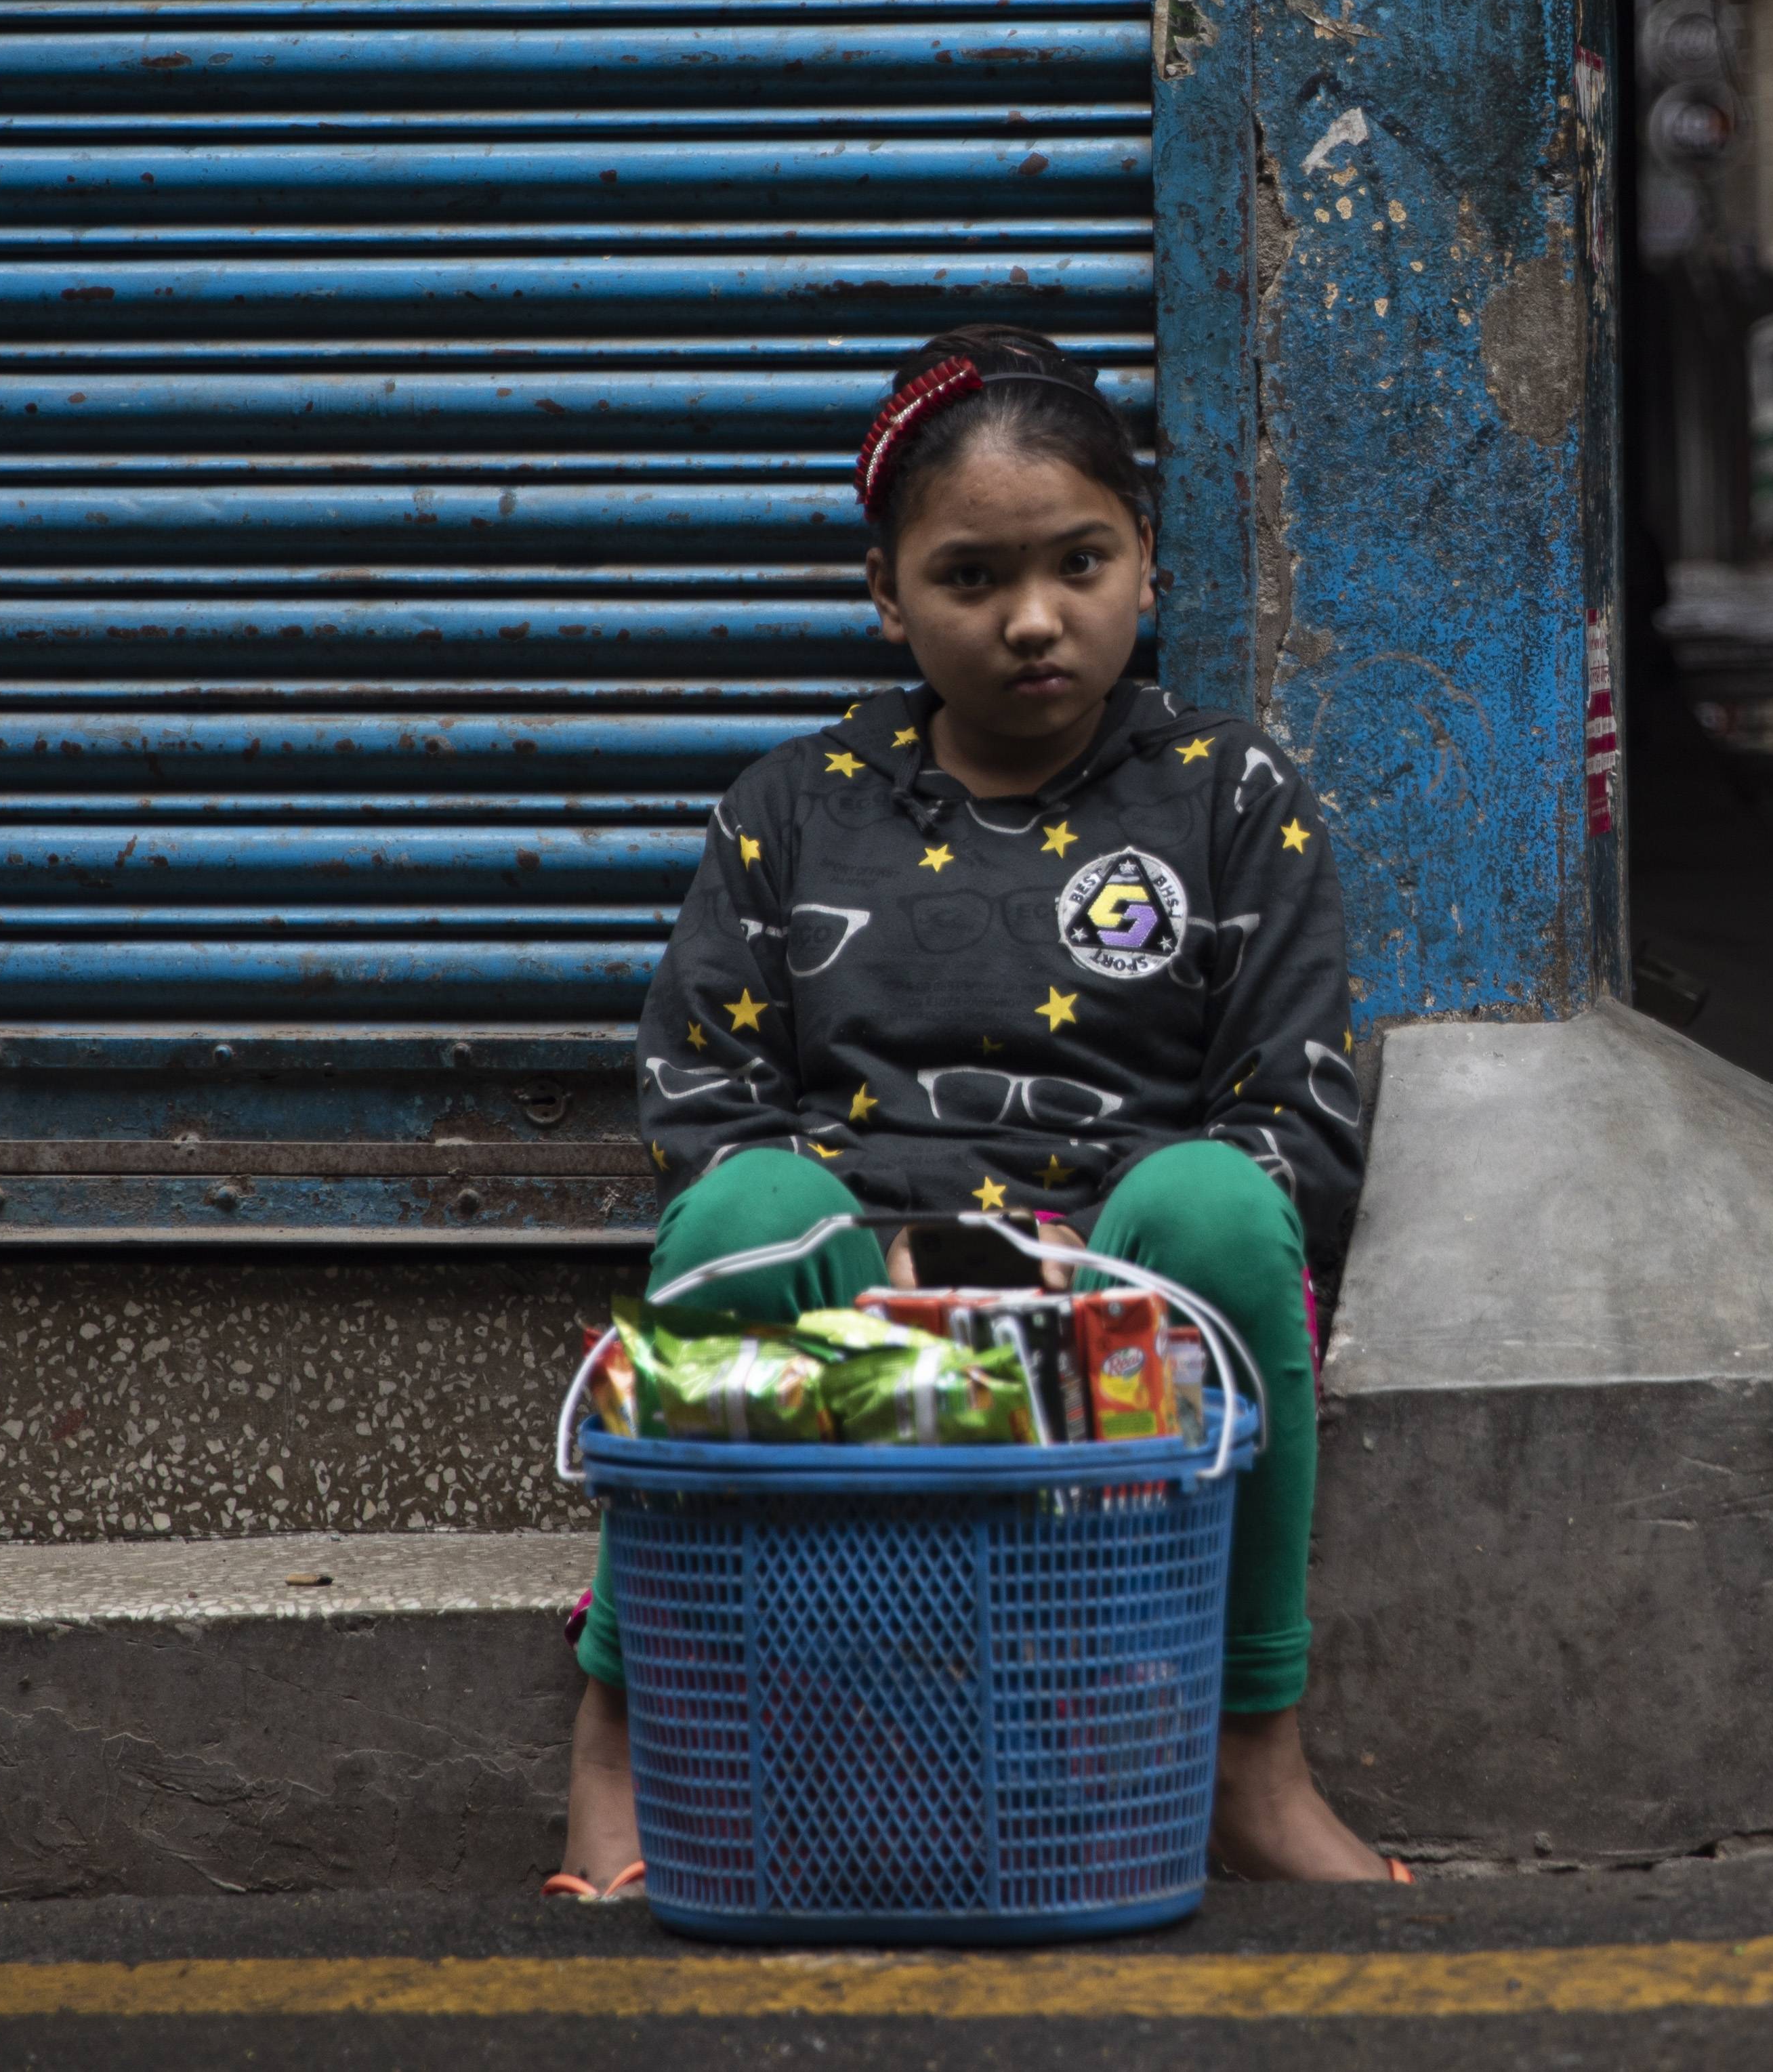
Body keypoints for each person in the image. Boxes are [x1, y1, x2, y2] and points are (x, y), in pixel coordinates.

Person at [549, 322, 1391, 1895]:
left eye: (1080, 560)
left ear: (1146, 557)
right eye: (966, 577)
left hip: (1118, 1301)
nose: (1031, 619)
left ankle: (1246, 1757)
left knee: (1222, 1199)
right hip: (858, 1287)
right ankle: (620, 1732)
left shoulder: (1227, 793)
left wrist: (1059, 1281)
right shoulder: (793, 806)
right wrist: (895, 1267)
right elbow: (702, 1099)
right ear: (886, 595)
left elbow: (1300, 1113)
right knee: (733, 1210)